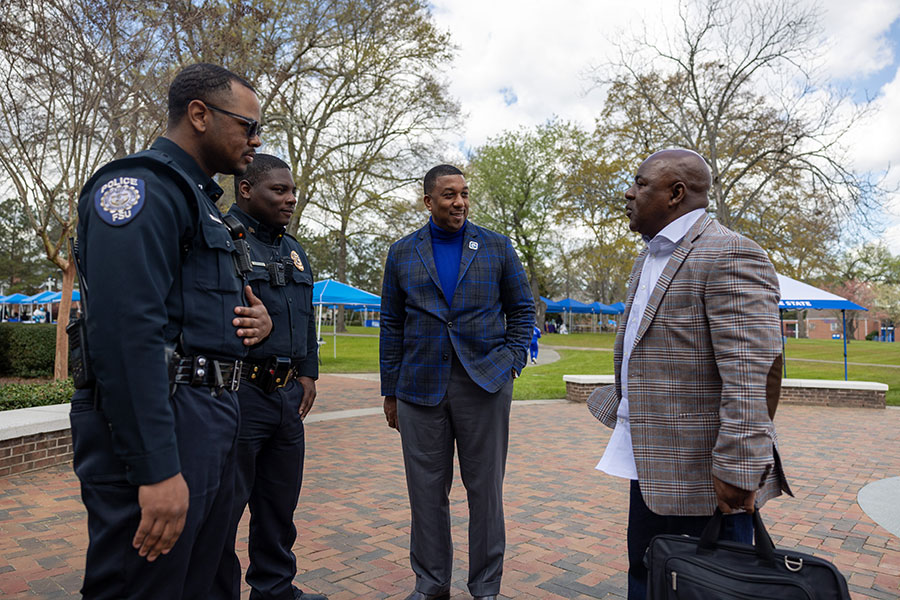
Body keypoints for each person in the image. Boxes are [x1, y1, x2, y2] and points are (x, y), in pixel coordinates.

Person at [70, 63, 273, 600]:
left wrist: (257, 323)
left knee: (203, 584)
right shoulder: (139, 190)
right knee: (146, 585)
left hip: (212, 419)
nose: (257, 140)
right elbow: (125, 336)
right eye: (248, 126)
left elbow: (196, 314)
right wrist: (156, 469)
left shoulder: (203, 203)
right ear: (199, 115)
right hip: (167, 422)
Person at [587, 148, 790, 600]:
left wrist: (739, 468)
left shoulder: (731, 254)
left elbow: (752, 375)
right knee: (648, 575)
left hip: (708, 478)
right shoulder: (648, 259)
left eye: (640, 183)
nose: (629, 192)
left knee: (710, 588)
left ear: (676, 193)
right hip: (652, 464)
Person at [380, 165, 534, 600]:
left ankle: (485, 587)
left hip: (484, 385)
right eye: (449, 195)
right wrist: (389, 391)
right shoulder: (402, 252)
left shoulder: (497, 247)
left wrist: (510, 363)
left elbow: (523, 311)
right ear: (428, 201)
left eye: (464, 194)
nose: (460, 202)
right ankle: (430, 585)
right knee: (426, 493)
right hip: (418, 388)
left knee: (485, 491)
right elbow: (391, 324)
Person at [214, 154, 325, 600]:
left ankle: (275, 591)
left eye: (292, 191)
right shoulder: (219, 240)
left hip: (285, 400)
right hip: (237, 395)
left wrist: (309, 373)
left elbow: (306, 317)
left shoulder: (293, 250)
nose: (290, 199)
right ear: (245, 190)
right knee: (223, 512)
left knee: (279, 509)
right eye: (279, 190)